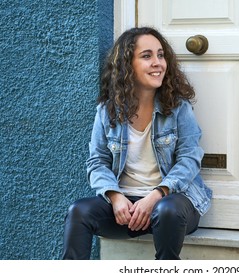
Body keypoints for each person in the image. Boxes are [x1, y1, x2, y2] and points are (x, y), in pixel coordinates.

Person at [61, 27, 212, 260]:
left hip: (170, 204)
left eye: (161, 55)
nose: (157, 63)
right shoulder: (107, 111)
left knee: (167, 211)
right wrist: (114, 196)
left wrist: (156, 195)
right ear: (127, 65)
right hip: (126, 209)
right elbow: (97, 162)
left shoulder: (178, 108)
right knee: (79, 211)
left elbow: (189, 160)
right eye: (147, 56)